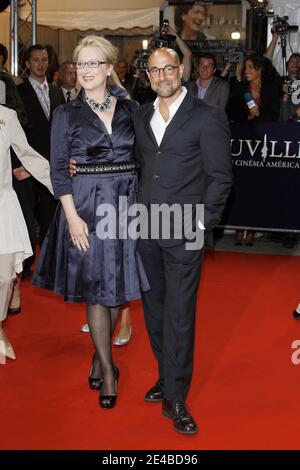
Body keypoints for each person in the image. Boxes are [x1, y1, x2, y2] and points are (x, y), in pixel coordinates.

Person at [32, 35, 149, 409]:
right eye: (79, 64)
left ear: (110, 67)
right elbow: (57, 169)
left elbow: (149, 156)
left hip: (127, 203)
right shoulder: (67, 114)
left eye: (93, 63)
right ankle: (109, 369)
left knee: (119, 288)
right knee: (98, 286)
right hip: (85, 204)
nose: (84, 71)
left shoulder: (132, 109)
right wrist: (71, 216)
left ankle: (99, 355)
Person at [134, 48, 233, 435]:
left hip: (183, 232)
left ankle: (176, 396)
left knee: (178, 315)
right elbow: (132, 164)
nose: (162, 75)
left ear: (181, 70)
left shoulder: (207, 117)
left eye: (169, 68)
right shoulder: (140, 115)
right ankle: (166, 373)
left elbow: (220, 178)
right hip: (144, 228)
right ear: (148, 75)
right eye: (155, 70)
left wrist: (201, 226)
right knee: (155, 312)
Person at [0, 104, 52, 360]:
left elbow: (27, 154)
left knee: (5, 276)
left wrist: (60, 183)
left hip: (2, 206)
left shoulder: (6, 117)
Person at [226, 54, 281, 246]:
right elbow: (230, 111)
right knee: (241, 186)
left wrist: (259, 117)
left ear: (259, 69)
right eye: (245, 68)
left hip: (263, 144)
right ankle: (240, 228)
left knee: (258, 187)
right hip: (243, 145)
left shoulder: (271, 89)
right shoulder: (240, 88)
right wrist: (246, 116)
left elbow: (275, 114)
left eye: (250, 67)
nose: (246, 71)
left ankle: (253, 229)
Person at [18, 44, 65, 246]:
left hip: (52, 163)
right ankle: (27, 264)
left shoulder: (56, 92)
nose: (41, 64)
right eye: (36, 60)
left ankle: (51, 260)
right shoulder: (18, 92)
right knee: (26, 215)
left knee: (50, 214)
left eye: (44, 60)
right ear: (28, 64)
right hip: (26, 163)